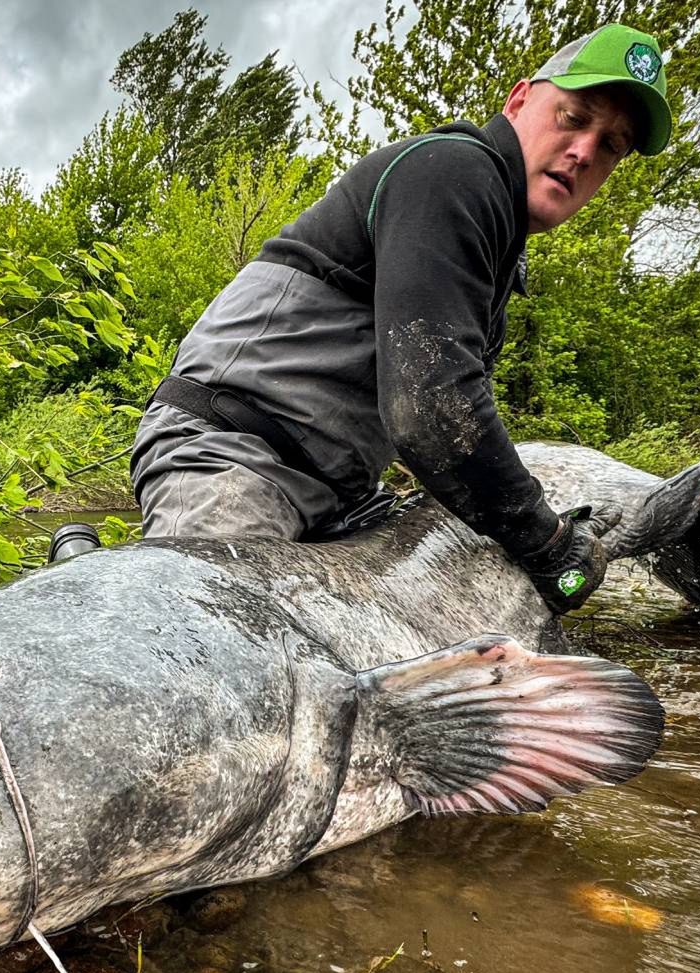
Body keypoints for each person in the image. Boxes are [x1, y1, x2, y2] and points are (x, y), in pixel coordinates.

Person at [128, 23, 672, 613]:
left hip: (336, 494)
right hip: (234, 457)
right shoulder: (455, 170)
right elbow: (432, 408)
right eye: (574, 116)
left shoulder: (498, 240)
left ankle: (98, 567)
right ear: (519, 100)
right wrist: (546, 541)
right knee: (203, 642)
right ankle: (97, 581)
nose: (585, 151)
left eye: (612, 144)